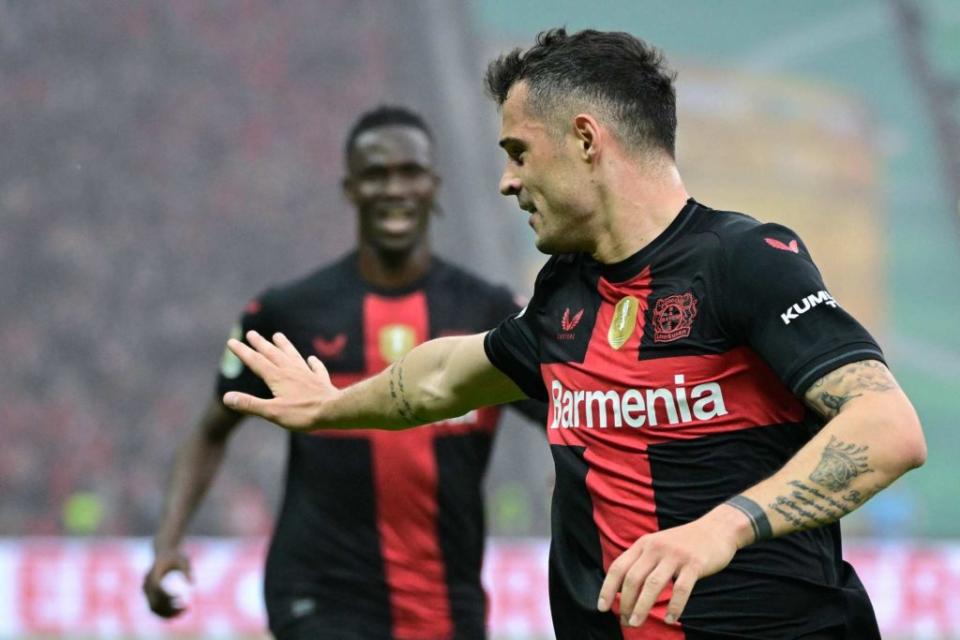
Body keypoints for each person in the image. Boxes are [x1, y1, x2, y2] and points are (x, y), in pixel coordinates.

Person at [222, 29, 927, 640]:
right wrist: (329, 403)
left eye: (519, 152)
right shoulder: (567, 294)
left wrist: (723, 528)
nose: (507, 181)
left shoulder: (742, 261)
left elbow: (888, 427)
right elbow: (447, 374)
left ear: (586, 139)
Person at [143, 105, 544, 640]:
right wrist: (167, 544)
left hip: (446, 602)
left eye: (409, 172)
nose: (394, 188)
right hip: (318, 594)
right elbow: (212, 430)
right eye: (376, 175)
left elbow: (571, 417)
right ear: (350, 188)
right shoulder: (289, 312)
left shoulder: (488, 312)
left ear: (432, 184)